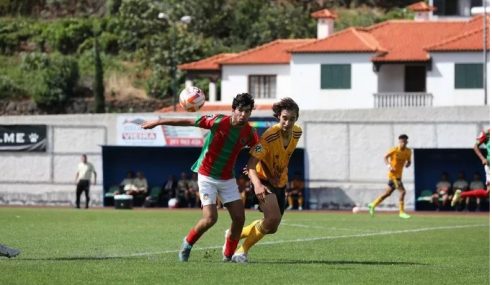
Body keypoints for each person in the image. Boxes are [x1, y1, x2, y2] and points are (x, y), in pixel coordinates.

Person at [141, 93, 258, 262]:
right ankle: (187, 243)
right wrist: (158, 122)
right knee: (210, 218)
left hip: (227, 179)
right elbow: (188, 121)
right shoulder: (218, 121)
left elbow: (258, 152)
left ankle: (228, 255)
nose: (243, 115)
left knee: (239, 218)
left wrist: (257, 169)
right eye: (240, 110)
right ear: (233, 110)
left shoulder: (250, 132)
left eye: (247, 111)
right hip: (207, 176)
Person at [231, 97, 302, 263]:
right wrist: (257, 184)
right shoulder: (268, 137)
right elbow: (250, 165)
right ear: (278, 117)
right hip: (262, 181)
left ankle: (234, 234)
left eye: (292, 119)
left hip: (281, 183)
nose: (288, 122)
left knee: (272, 227)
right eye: (284, 118)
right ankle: (241, 252)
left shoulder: (298, 132)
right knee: (272, 219)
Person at [368, 134, 412, 219]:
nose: (403, 143)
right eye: (402, 141)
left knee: (387, 194)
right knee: (403, 192)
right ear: (399, 142)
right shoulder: (394, 150)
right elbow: (385, 157)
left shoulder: (408, 151)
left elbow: (409, 161)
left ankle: (373, 204)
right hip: (393, 176)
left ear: (407, 142)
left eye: (405, 141)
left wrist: (408, 164)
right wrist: (389, 166)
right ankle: (401, 212)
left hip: (399, 176)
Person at [452, 129, 490, 207]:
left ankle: (461, 194)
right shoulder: (487, 132)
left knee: (488, 193)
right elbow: (475, 147)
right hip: (490, 165)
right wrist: (483, 159)